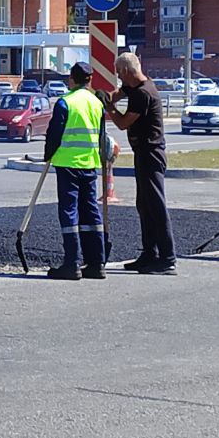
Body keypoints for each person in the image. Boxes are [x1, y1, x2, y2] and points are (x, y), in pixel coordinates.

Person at [104, 52, 177, 275]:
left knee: (155, 204)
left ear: (126, 71)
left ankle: (167, 257)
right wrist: (105, 97)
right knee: (144, 205)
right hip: (143, 152)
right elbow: (116, 94)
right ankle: (149, 253)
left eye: (119, 73)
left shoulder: (144, 93)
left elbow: (123, 123)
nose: (118, 78)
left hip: (151, 152)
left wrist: (109, 108)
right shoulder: (135, 87)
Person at [42, 62, 106, 280]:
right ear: (89, 80)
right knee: (91, 212)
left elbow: (54, 134)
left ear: (72, 79)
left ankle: (72, 263)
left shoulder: (65, 102)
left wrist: (47, 155)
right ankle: (97, 263)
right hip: (89, 164)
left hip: (68, 164)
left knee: (69, 212)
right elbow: (100, 135)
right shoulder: (97, 104)